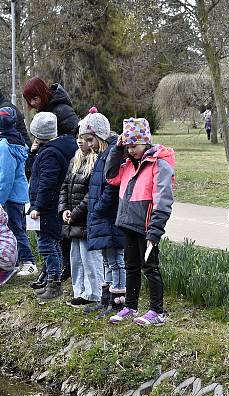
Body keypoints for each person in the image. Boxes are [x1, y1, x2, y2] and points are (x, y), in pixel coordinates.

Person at [106, 118, 175, 326]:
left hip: (147, 226)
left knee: (150, 267)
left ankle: (157, 310)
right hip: (128, 223)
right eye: (127, 145)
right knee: (131, 266)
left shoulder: (158, 164)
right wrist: (117, 150)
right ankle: (131, 305)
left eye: (134, 145)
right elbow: (110, 176)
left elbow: (163, 199)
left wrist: (156, 229)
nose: (131, 149)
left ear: (145, 141)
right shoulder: (127, 164)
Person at [28, 112, 78, 301]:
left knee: (46, 245)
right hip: (55, 204)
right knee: (52, 243)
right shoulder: (63, 146)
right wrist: (34, 153)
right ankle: (52, 280)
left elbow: (47, 182)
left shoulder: (49, 153)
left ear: (37, 134)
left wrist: (38, 207)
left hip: (47, 207)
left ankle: (54, 284)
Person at [82, 108, 126, 315]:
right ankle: (105, 298)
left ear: (100, 135)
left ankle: (118, 301)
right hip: (101, 216)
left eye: (90, 140)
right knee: (107, 260)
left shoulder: (112, 155)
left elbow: (111, 186)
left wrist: (98, 208)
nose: (88, 145)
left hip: (109, 216)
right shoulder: (102, 155)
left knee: (116, 260)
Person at [0, 107, 36, 277]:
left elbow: (6, 177)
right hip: (18, 193)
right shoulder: (19, 141)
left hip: (9, 196)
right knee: (16, 228)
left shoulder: (3, 146)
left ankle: (29, 262)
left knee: (15, 229)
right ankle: (14, 262)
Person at [59, 127, 103, 308]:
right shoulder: (75, 160)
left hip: (84, 219)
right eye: (78, 137)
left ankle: (93, 292)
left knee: (90, 259)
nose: (80, 141)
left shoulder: (95, 162)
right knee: (76, 257)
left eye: (85, 138)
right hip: (72, 219)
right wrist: (64, 209)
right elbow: (65, 186)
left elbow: (90, 195)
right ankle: (79, 291)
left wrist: (75, 213)